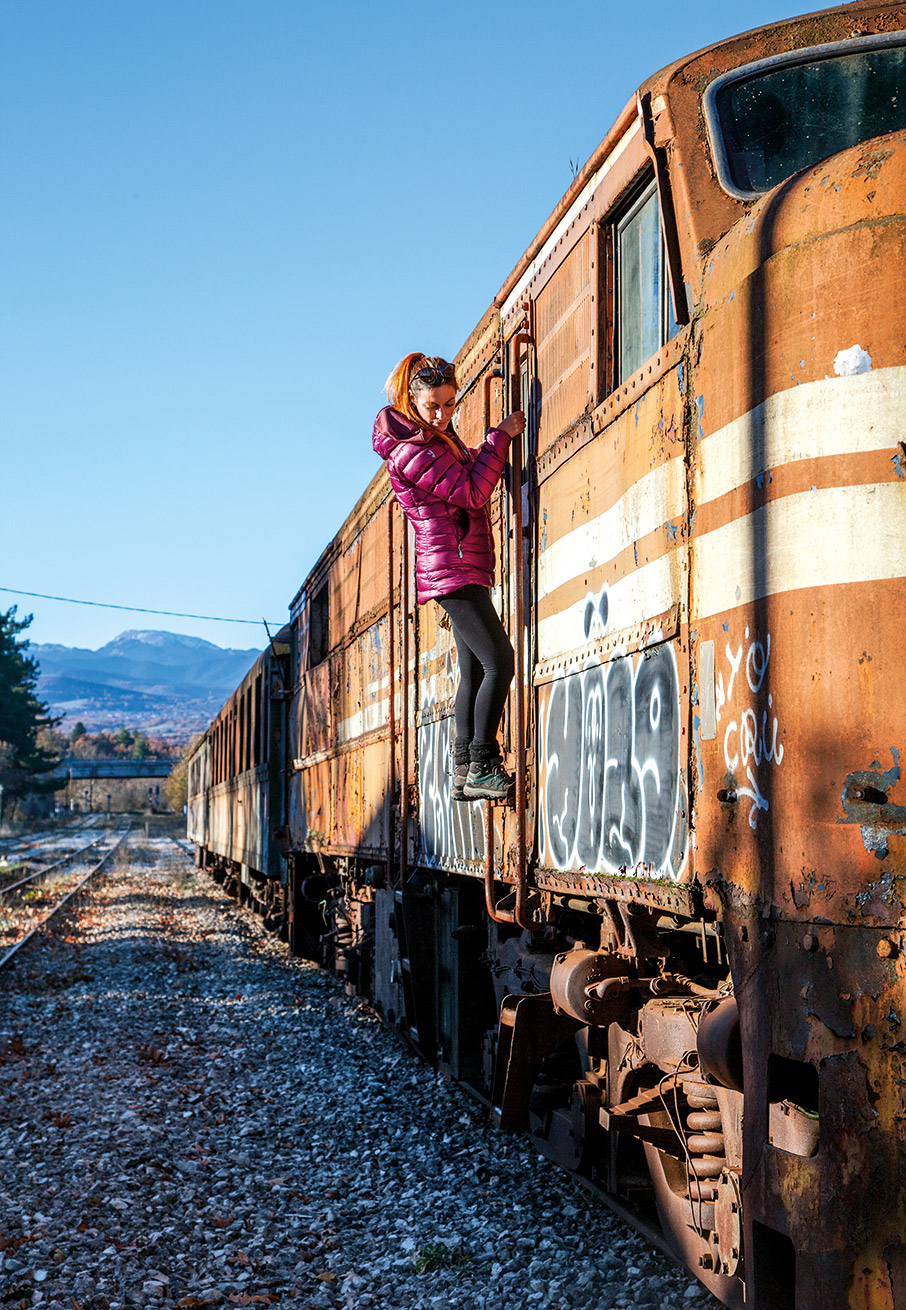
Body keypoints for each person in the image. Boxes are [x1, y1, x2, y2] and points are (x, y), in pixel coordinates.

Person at [372, 353, 525, 802]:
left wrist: (483, 449)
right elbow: (473, 491)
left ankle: (462, 771)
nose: (443, 414)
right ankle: (482, 763)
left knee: (475, 670)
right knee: (501, 661)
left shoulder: (436, 439)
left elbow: (462, 478)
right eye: (433, 406)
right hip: (452, 568)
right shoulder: (413, 449)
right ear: (411, 401)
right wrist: (499, 438)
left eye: (450, 404)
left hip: (460, 563)